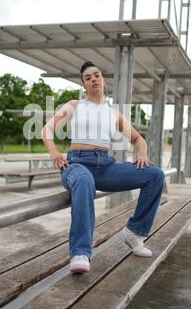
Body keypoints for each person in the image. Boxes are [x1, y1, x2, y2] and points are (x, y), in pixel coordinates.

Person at [41, 61, 165, 274]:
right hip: (77, 164)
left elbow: (138, 139)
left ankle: (134, 232)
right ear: (84, 85)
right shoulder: (75, 105)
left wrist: (142, 154)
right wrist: (53, 151)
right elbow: (47, 129)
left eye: (96, 75)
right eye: (88, 78)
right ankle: (80, 252)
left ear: (103, 80)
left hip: (105, 166)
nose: (93, 79)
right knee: (84, 180)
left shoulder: (113, 113)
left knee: (155, 175)